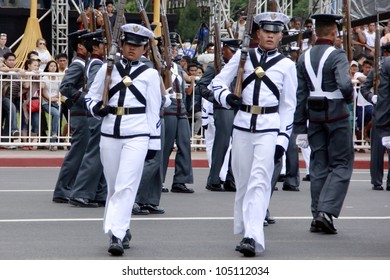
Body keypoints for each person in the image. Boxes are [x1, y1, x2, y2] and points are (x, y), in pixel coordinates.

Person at [210, 12, 296, 256]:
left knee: (260, 181)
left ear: (280, 36)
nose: (270, 35)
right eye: (266, 31)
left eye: (275, 32)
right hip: (243, 124)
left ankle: (252, 236)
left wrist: (282, 139)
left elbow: (289, 106)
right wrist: (226, 97)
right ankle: (247, 229)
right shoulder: (242, 56)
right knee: (244, 182)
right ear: (258, 33)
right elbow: (216, 83)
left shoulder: (287, 66)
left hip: (269, 127)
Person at [86, 23, 161, 256]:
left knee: (126, 185)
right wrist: (96, 109)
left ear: (144, 49)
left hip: (137, 133)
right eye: (129, 44)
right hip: (110, 132)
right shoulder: (108, 69)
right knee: (113, 186)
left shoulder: (150, 74)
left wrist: (154, 142)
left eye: (137, 46)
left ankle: (116, 235)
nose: (132, 49)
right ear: (122, 44)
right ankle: (122, 227)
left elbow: (153, 110)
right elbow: (91, 96)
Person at [294, 14, 354, 235]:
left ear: (316, 33)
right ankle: (326, 213)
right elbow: (345, 85)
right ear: (333, 33)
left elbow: (300, 95)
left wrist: (299, 127)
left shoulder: (303, 57)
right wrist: (348, 98)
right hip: (336, 116)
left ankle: (316, 214)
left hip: (314, 118)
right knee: (341, 165)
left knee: (319, 165)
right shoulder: (338, 55)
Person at [68, 30, 107, 208]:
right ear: (97, 47)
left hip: (96, 113)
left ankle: (98, 193)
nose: (106, 47)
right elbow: (93, 89)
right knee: (94, 154)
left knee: (101, 156)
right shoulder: (97, 64)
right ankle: (81, 193)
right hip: (97, 113)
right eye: (103, 44)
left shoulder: (95, 62)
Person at [52, 29, 90, 204]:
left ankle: (69, 187)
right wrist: (85, 100)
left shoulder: (84, 63)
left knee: (82, 153)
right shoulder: (78, 65)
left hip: (84, 112)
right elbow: (65, 87)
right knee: (77, 152)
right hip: (80, 112)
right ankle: (62, 189)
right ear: (81, 47)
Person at [201, 38, 241, 192]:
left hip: (239, 107)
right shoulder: (216, 67)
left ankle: (231, 179)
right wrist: (217, 97)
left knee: (237, 144)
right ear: (224, 50)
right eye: (231, 51)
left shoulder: (243, 65)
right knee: (222, 143)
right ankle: (214, 178)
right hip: (223, 107)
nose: (233, 54)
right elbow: (202, 87)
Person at [161, 34, 194, 194]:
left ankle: (181, 180)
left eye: (174, 47)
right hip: (168, 110)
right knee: (165, 147)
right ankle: (157, 180)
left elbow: (186, 80)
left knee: (185, 144)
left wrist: (193, 79)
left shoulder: (177, 67)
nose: (173, 49)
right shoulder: (158, 66)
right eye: (170, 47)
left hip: (181, 109)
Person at [361, 43, 390, 191]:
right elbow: (365, 88)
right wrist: (373, 98)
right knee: (377, 150)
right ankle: (377, 180)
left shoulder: (381, 66)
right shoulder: (377, 69)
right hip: (380, 111)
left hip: (383, 111)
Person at [41, 60, 61, 151]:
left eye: (55, 66)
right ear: (48, 68)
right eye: (51, 66)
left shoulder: (58, 78)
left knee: (57, 116)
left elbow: (60, 91)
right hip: (46, 102)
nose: (53, 68)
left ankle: (53, 143)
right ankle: (53, 137)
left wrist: (55, 97)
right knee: (56, 114)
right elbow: (42, 92)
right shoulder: (44, 77)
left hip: (56, 101)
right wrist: (49, 99)